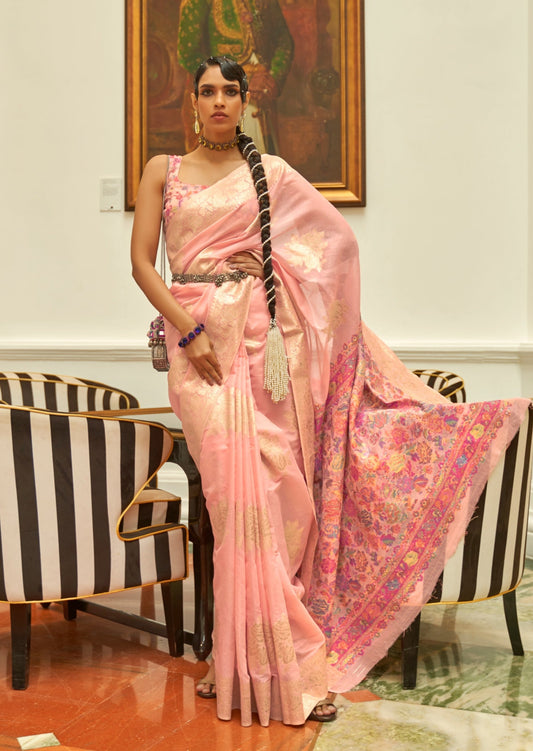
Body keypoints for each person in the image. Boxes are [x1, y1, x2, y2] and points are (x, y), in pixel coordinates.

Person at [131, 56, 529, 728]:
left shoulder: (274, 175)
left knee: (278, 487)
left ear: (245, 99)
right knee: (233, 501)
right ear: (191, 103)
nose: (218, 101)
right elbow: (143, 264)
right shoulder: (160, 170)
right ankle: (256, 658)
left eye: (230, 90)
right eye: (207, 91)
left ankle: (243, 659)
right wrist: (189, 327)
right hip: (195, 348)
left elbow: (335, 245)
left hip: (262, 344)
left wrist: (275, 274)